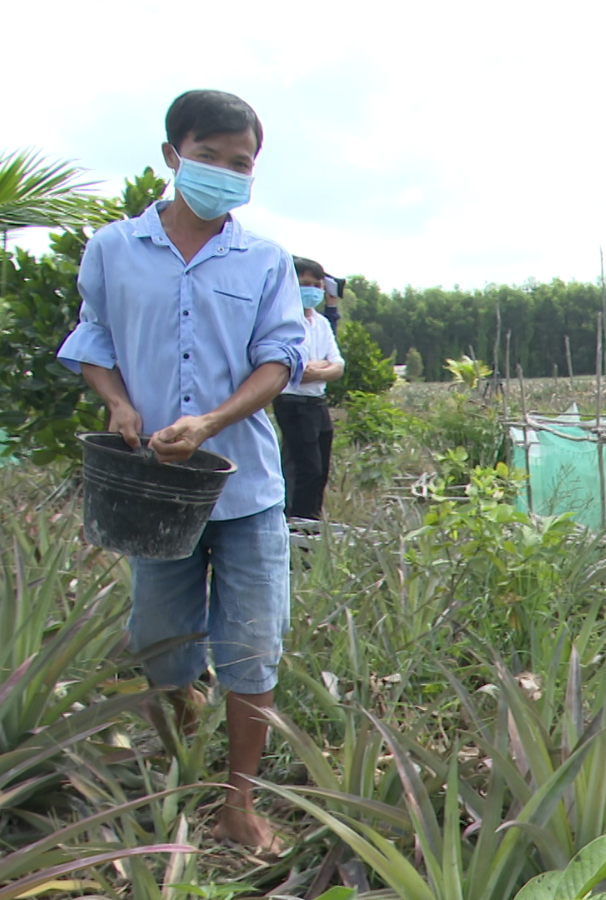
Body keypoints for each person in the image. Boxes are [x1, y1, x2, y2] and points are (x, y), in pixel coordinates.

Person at [58, 89, 304, 852]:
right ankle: (186, 754)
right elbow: (93, 335)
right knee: (163, 644)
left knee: (252, 646)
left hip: (246, 486)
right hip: (153, 489)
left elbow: (281, 358)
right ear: (173, 156)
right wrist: (119, 403)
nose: (226, 174)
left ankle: (238, 803)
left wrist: (211, 421)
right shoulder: (114, 250)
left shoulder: (264, 260)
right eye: (210, 157)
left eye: (242, 165)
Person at [274, 257, 344, 520]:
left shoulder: (322, 323)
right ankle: (298, 524)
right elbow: (292, 370)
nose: (312, 289)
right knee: (306, 469)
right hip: (292, 402)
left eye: (317, 284)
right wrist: (318, 367)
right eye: (305, 284)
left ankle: (311, 521)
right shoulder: (283, 320)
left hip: (318, 402)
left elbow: (338, 366)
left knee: (321, 469)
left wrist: (314, 368)